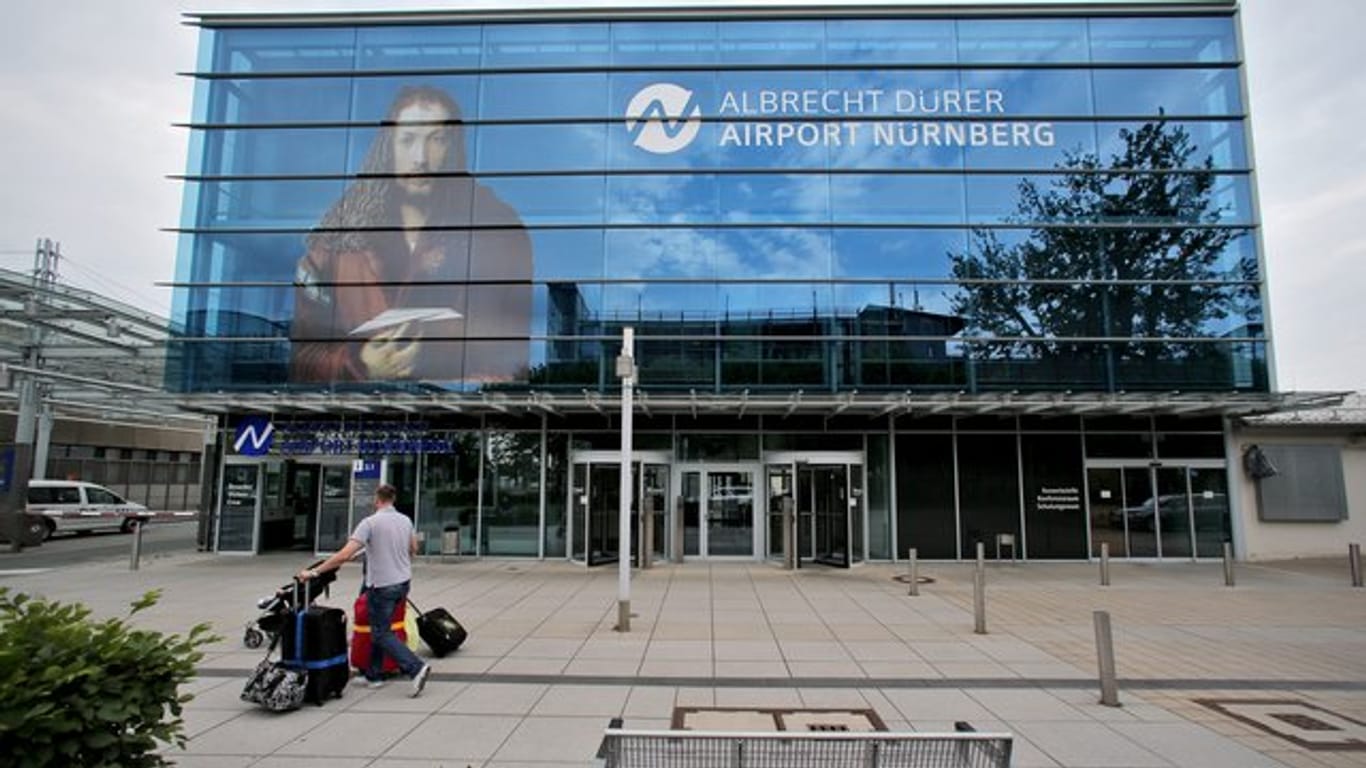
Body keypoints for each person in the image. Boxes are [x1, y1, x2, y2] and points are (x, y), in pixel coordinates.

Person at [290, 84, 533, 384]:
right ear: (389, 147)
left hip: (454, 415)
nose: (421, 158)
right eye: (408, 140)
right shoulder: (337, 236)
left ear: (453, 148)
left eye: (436, 140)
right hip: (354, 418)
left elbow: (511, 353)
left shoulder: (497, 231)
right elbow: (302, 358)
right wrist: (360, 365)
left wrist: (441, 359)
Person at [297, 483, 431, 697]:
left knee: (380, 633)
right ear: (393, 499)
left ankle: (415, 667)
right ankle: (374, 674)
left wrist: (314, 572)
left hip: (382, 585)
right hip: (403, 582)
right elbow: (413, 549)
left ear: (376, 500)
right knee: (380, 626)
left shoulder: (370, 522)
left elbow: (344, 554)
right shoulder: (405, 520)